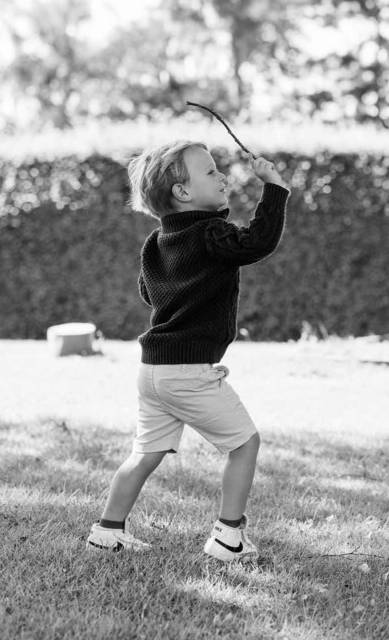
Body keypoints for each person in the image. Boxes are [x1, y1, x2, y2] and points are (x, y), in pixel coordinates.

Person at [85, 140, 289, 563]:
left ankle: (107, 531)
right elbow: (257, 242)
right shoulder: (211, 234)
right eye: (211, 172)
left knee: (144, 454)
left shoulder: (156, 243)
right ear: (182, 192)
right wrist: (274, 189)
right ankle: (228, 537)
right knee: (244, 444)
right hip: (187, 370)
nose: (222, 178)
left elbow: (149, 292)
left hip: (152, 371)